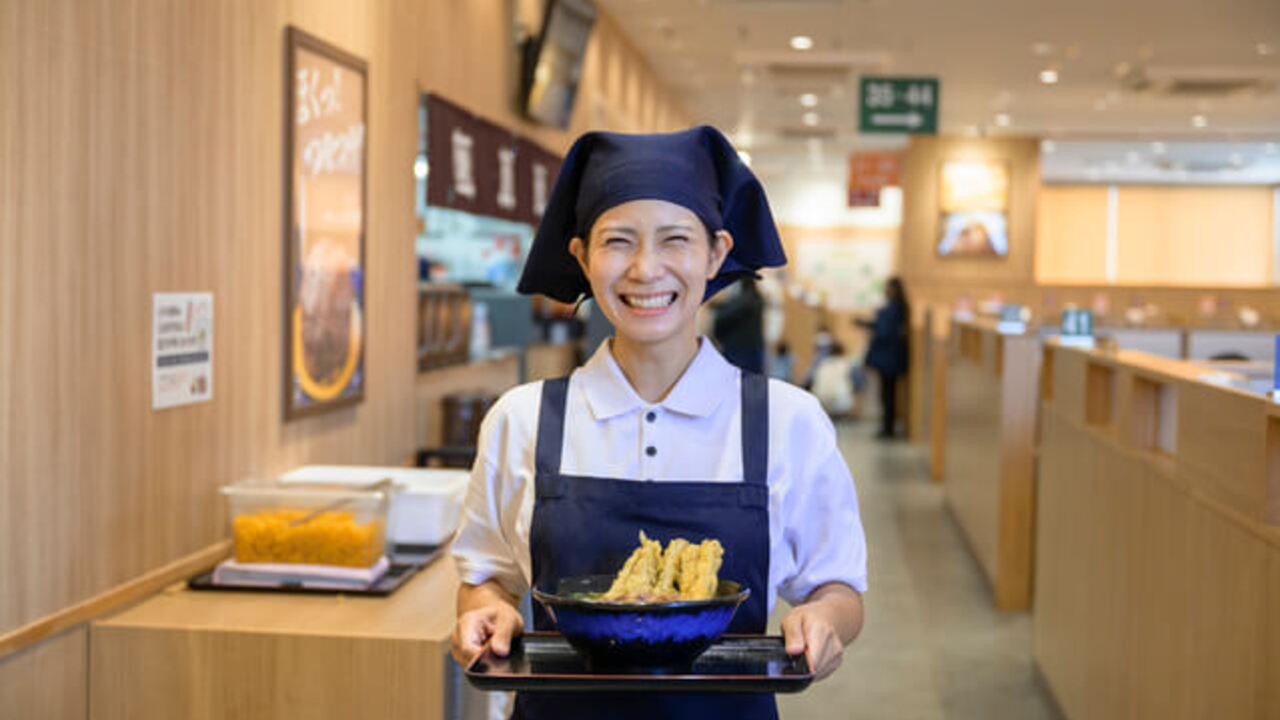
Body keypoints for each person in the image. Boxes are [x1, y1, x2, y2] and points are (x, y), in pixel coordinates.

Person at [450, 126, 867, 720]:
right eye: (618, 241)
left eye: (676, 240)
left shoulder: (788, 422)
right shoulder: (522, 420)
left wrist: (824, 619)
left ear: (717, 253)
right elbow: (487, 576)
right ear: (581, 257)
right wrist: (486, 609)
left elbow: (839, 588)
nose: (646, 269)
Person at [857, 277, 910, 439]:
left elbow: (884, 331)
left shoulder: (893, 309)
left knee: (887, 394)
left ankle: (888, 428)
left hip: (888, 358)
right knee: (887, 393)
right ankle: (887, 426)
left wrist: (872, 329)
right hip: (890, 357)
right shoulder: (896, 308)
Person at [712, 278, 766, 373]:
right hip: (748, 350)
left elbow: (722, 319)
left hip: (740, 351)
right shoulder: (755, 298)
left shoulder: (746, 300)